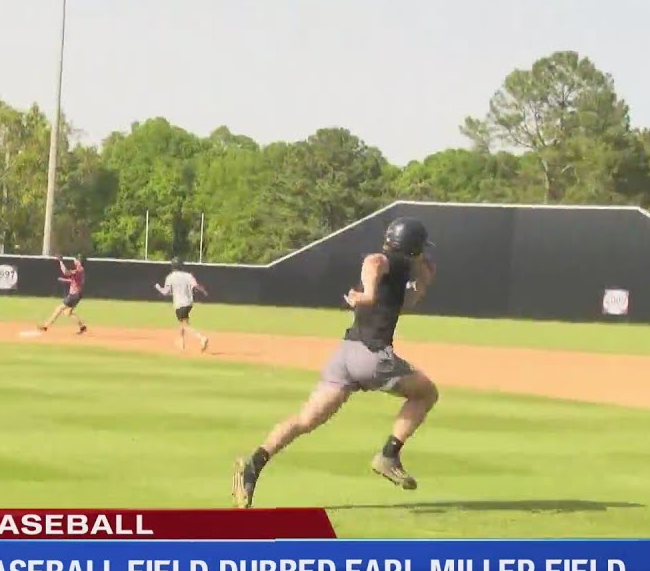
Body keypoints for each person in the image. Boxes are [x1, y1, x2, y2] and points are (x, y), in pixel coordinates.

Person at [231, 217, 439, 508]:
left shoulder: (399, 273)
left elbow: (398, 306)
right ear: (414, 247)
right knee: (427, 392)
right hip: (372, 356)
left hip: (345, 356)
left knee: (306, 419)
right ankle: (389, 454)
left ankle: (254, 464)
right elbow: (374, 261)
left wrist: (421, 284)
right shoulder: (394, 261)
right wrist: (367, 292)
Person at [155, 257, 210, 352]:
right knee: (183, 323)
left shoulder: (170, 277)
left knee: (185, 325)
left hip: (179, 304)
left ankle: (202, 338)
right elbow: (196, 286)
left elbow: (165, 292)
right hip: (189, 303)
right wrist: (204, 291)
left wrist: (158, 287)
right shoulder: (188, 275)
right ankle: (181, 343)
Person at [38, 255, 88, 334]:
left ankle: (45, 326)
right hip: (77, 295)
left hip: (73, 295)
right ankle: (82, 327)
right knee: (68, 313)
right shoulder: (81, 271)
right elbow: (74, 281)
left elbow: (65, 272)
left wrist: (60, 261)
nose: (74, 261)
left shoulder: (78, 270)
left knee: (59, 309)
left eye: (75, 260)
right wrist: (64, 280)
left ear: (79, 262)